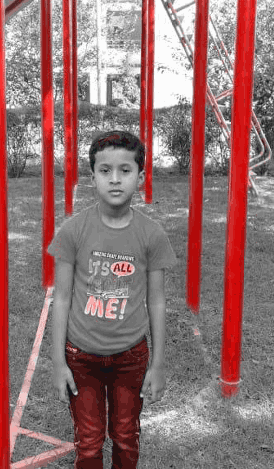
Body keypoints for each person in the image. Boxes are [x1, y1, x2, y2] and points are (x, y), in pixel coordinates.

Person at [48, 130, 178, 469]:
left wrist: (158, 364)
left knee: (125, 436)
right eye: (105, 170)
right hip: (80, 357)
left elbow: (157, 301)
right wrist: (58, 362)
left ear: (140, 176)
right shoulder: (73, 231)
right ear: (92, 177)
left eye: (125, 170)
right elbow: (61, 298)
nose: (115, 179)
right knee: (89, 442)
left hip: (131, 357)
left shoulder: (152, 234)